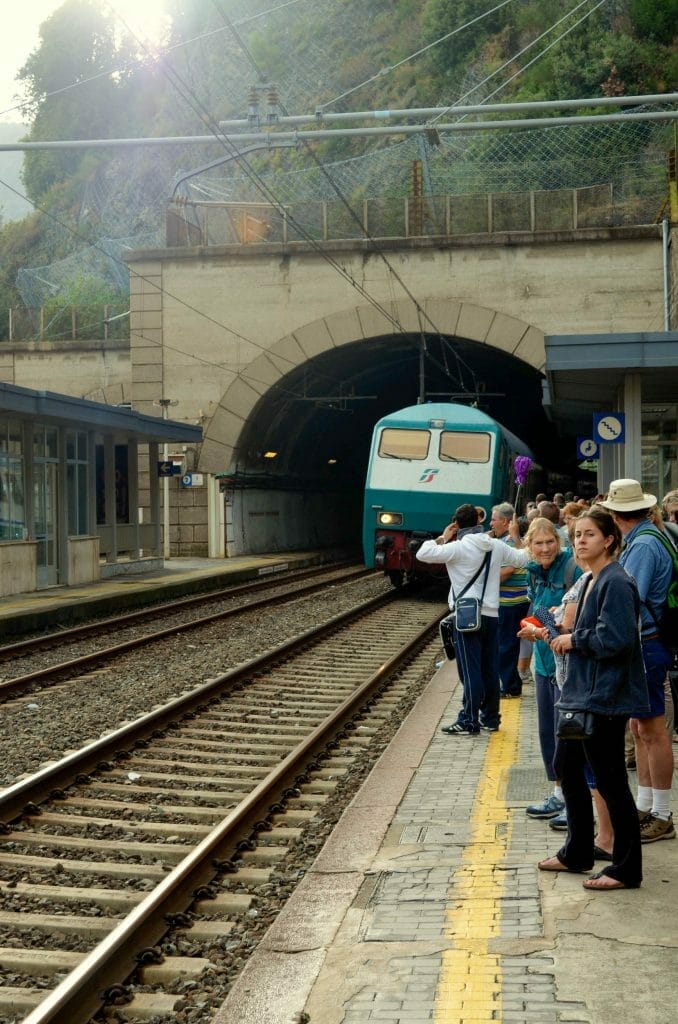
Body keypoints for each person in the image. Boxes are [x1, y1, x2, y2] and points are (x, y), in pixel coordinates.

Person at [538, 506, 649, 890]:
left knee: (611, 780)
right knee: (567, 769)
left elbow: (616, 640)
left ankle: (626, 868)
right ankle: (578, 851)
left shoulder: (616, 581)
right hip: (582, 693)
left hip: (604, 696)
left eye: (588, 534)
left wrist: (574, 639)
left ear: (609, 540)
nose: (580, 541)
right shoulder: (590, 580)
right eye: (577, 536)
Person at [600, 479, 675, 843]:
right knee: (641, 729)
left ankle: (661, 813)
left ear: (616, 516)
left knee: (653, 730)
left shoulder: (643, 545)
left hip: (646, 644)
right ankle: (646, 806)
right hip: (645, 644)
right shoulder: (645, 538)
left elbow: (630, 597)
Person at [417, 503, 530, 736]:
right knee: (490, 669)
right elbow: (524, 560)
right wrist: (517, 537)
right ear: (478, 523)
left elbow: (422, 553)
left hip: (466, 617)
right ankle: (490, 718)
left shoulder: (456, 548)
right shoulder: (496, 546)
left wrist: (443, 537)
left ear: (457, 525)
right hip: (491, 616)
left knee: (470, 672)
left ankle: (468, 720)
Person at [517, 517, 581, 818]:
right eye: (539, 543)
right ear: (529, 546)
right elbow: (542, 614)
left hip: (567, 665)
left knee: (567, 732)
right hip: (544, 663)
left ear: (559, 541)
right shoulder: (532, 573)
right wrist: (536, 627)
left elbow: (567, 626)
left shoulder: (572, 568)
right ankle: (558, 793)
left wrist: (540, 629)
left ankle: (574, 800)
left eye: (550, 541)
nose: (545, 548)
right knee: (547, 731)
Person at [489, 502, 530, 698]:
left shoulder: (507, 543)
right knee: (507, 644)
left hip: (509, 602)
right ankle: (511, 682)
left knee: (505, 645)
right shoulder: (513, 540)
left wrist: (485, 583)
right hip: (515, 600)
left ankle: (510, 686)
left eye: (494, 519)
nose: (491, 523)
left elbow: (508, 570)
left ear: (505, 522)